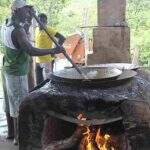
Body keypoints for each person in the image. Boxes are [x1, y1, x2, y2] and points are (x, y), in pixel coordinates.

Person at [1, 0, 64, 145]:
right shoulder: (17, 30)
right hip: (16, 73)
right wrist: (54, 50)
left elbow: (23, 32)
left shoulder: (6, 23)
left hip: (7, 69)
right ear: (17, 11)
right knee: (19, 105)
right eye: (26, 10)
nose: (28, 13)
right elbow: (31, 50)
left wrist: (29, 18)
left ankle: (11, 133)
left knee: (10, 103)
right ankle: (19, 138)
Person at [35, 13, 66, 84]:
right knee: (39, 81)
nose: (41, 23)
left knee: (48, 81)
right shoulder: (36, 29)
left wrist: (54, 51)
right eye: (40, 21)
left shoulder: (48, 29)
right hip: (38, 59)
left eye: (43, 21)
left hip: (47, 59)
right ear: (37, 21)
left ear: (46, 22)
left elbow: (62, 38)